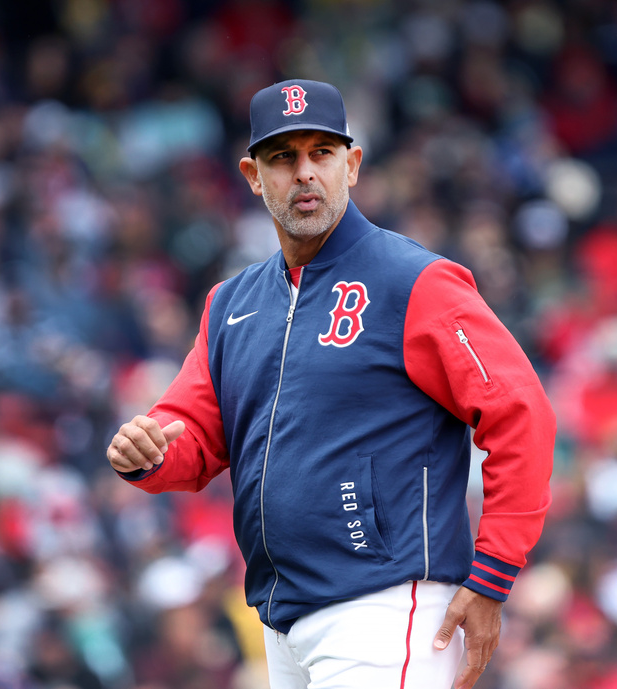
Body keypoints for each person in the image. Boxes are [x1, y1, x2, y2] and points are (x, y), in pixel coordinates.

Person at [107, 78, 555, 689]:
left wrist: (494, 572)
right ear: (252, 175)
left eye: (321, 152)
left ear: (353, 162)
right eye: (283, 157)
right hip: (281, 618)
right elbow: (194, 435)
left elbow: (521, 412)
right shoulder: (231, 304)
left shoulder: (414, 281)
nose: (305, 173)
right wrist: (148, 452)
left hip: (388, 603)